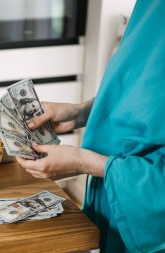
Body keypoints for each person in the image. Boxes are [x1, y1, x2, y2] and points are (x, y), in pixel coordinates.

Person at [16, 1, 165, 252]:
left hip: (143, 216)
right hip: (116, 200)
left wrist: (85, 163)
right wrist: (81, 112)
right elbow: (145, 98)